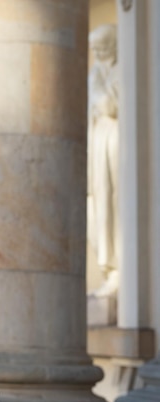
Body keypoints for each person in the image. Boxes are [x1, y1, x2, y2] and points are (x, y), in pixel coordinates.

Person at [87, 24, 119, 297]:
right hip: (98, 143)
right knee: (98, 208)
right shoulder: (97, 71)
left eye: (102, 47)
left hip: (115, 143)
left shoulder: (120, 71)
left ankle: (118, 271)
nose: (97, 53)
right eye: (94, 49)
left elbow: (108, 106)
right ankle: (109, 270)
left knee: (114, 207)